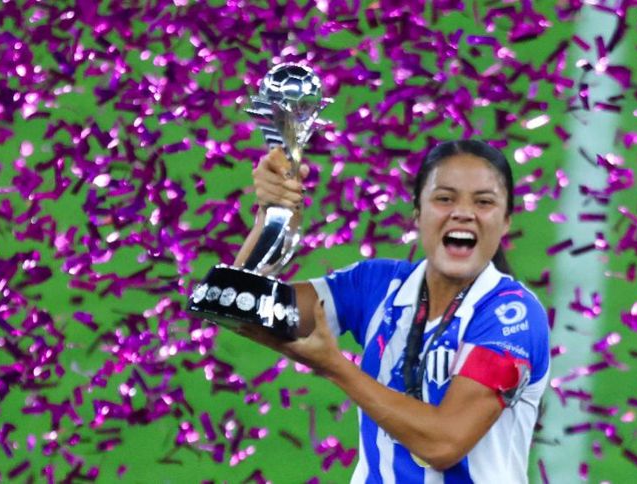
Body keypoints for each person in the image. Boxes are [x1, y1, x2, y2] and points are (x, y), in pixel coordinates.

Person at [234, 140, 550, 483]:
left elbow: (444, 443)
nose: (463, 212)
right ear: (418, 213)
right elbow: (239, 306)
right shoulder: (376, 286)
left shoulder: (512, 315)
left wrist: (335, 367)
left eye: (483, 202)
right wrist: (273, 219)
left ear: (505, 222)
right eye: (444, 198)